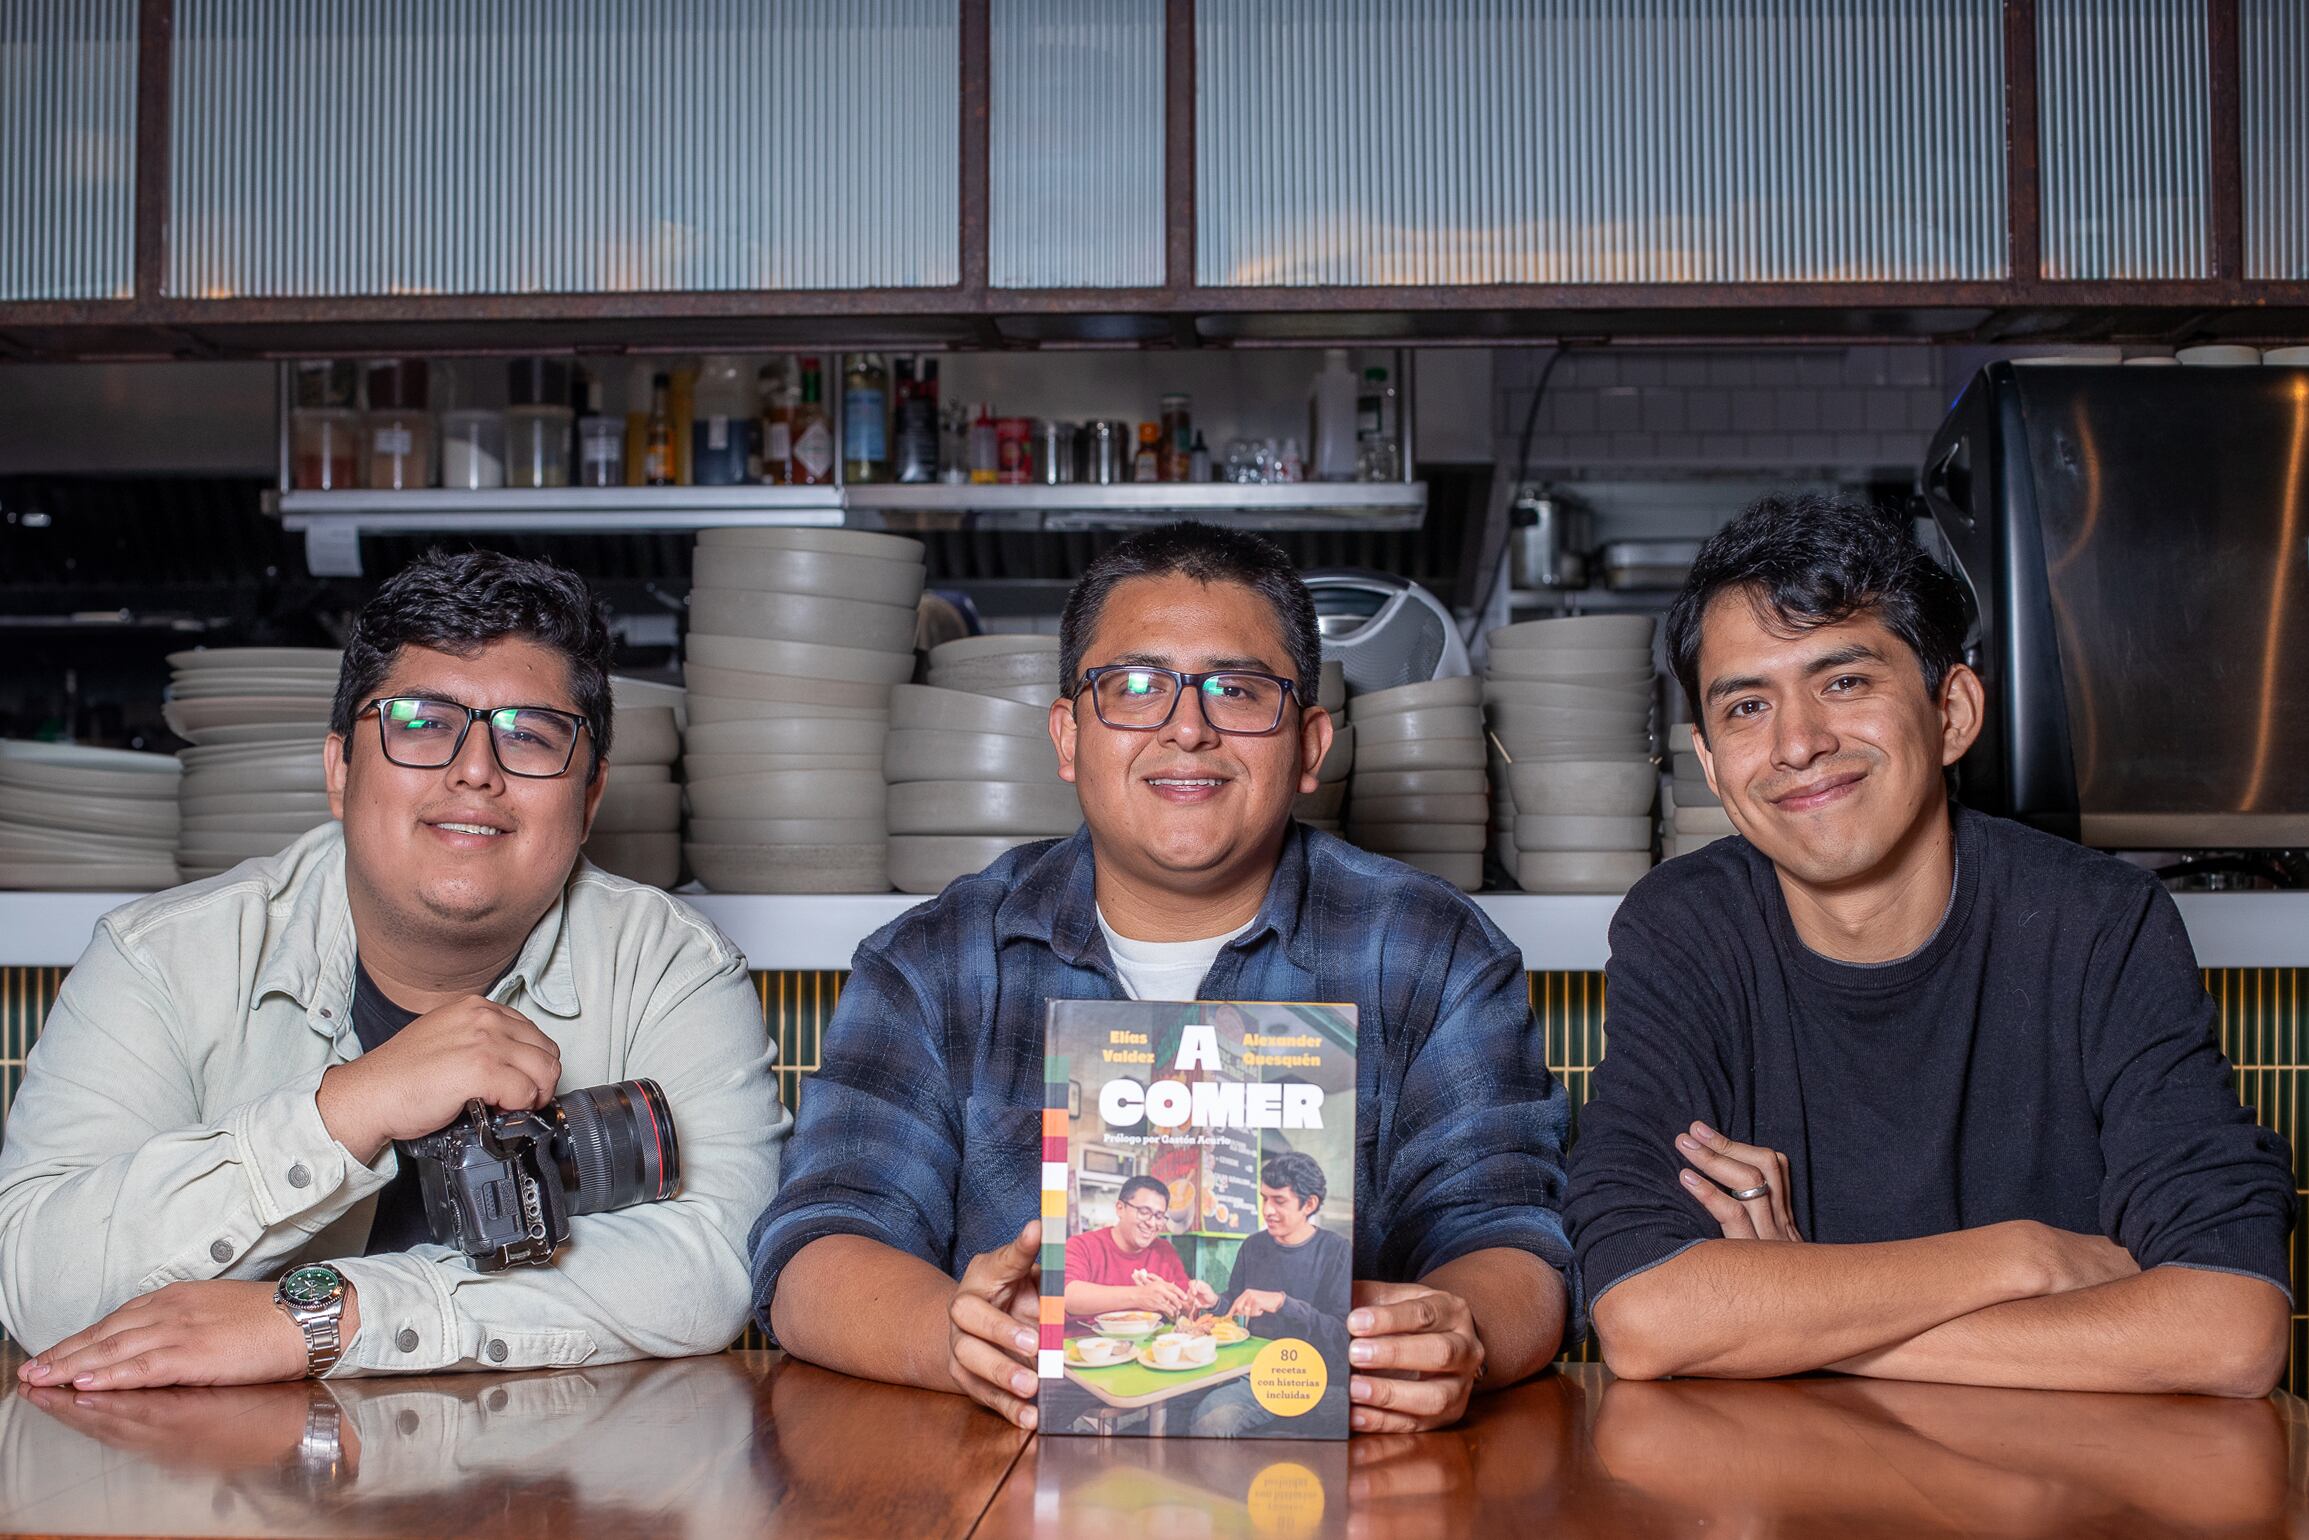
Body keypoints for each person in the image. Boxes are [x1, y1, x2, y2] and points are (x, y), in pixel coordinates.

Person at [752, 521, 1576, 1434]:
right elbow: (817, 1245)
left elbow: (1516, 1242)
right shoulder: (936, 961)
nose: (1187, 727)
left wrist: (1461, 1334)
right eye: (1135, 687)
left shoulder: (1432, 951)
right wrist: (956, 1338)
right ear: (1068, 737)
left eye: (1238, 688)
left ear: (1308, 746)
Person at [1564, 494, 2295, 1395]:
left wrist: (1791, 1317)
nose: (1797, 743)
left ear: (1951, 711)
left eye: (1843, 682)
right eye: (1747, 705)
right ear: (1711, 765)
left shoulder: (2101, 923)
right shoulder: (1683, 928)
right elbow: (1642, 1315)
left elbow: (2229, 1329)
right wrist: (2020, 1258)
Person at [0, 550, 786, 1386]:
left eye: (530, 736)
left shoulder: (671, 966)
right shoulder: (160, 957)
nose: (476, 770)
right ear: (339, 770)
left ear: (589, 799)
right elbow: (42, 1287)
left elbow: (721, 1265)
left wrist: (326, 1314)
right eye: (420, 723)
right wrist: (352, 1106)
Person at [1190, 1151, 1353, 1436]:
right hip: (1258, 1372)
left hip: (1317, 1376)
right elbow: (1236, 1303)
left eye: (1279, 1201)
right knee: (1207, 1417)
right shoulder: (1253, 1246)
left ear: (1309, 1204)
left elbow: (1342, 1335)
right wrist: (1215, 1302)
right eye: (1264, 1198)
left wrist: (1282, 1303)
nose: (1267, 1210)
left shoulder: (1337, 1251)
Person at [1061, 1174, 1214, 1330]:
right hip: (1088, 1347)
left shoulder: (1165, 1252)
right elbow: (1067, 1295)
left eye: (1159, 1216)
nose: (1152, 1223)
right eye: (1144, 1211)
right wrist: (1139, 1295)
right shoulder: (1082, 1245)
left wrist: (1189, 1302)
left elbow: (1183, 1308)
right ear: (1120, 1208)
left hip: (1150, 1349)